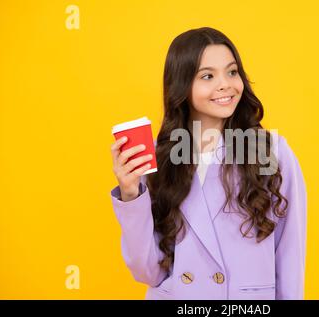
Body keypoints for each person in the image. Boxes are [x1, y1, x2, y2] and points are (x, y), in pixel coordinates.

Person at [110, 27, 307, 300]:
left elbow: (290, 258)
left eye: (232, 72)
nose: (225, 84)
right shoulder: (157, 157)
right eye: (207, 76)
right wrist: (131, 195)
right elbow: (148, 272)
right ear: (181, 86)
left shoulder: (271, 151)